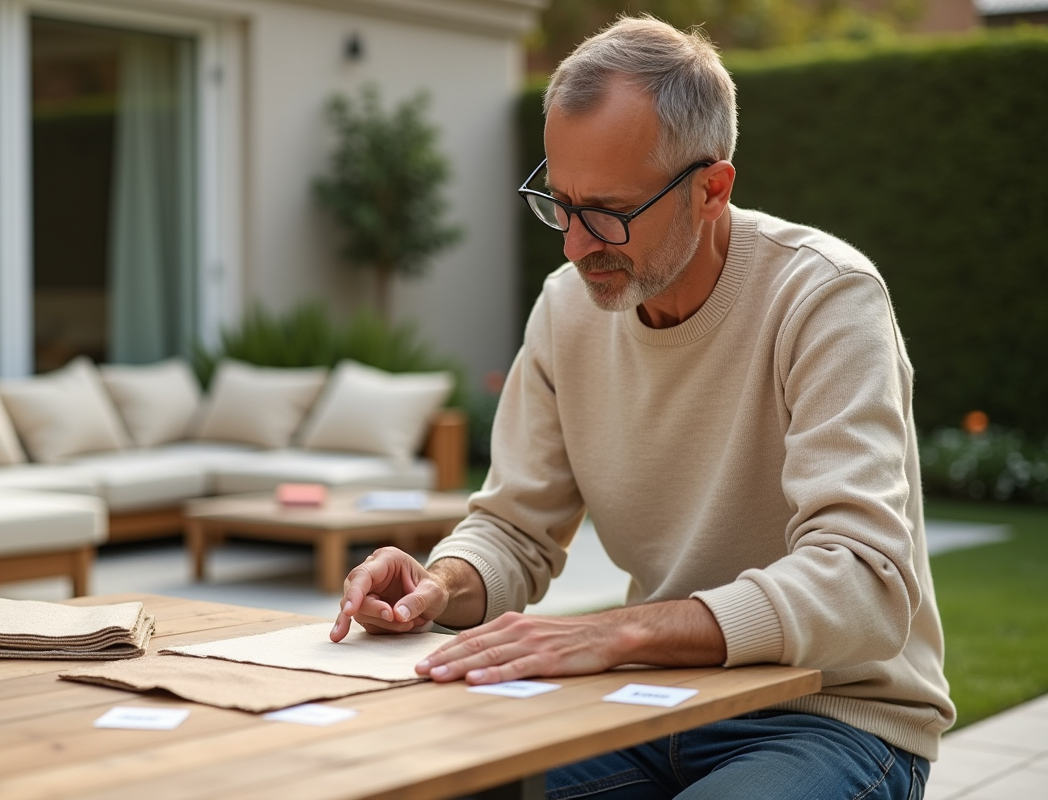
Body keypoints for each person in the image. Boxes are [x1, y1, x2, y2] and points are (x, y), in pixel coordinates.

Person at [331, 15, 954, 799]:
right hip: (646, 704)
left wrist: (616, 632)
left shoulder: (825, 298)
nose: (575, 245)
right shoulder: (566, 309)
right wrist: (440, 583)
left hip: (829, 714)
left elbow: (862, 585)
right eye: (559, 203)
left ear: (711, 189)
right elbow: (514, 529)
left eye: (608, 210)